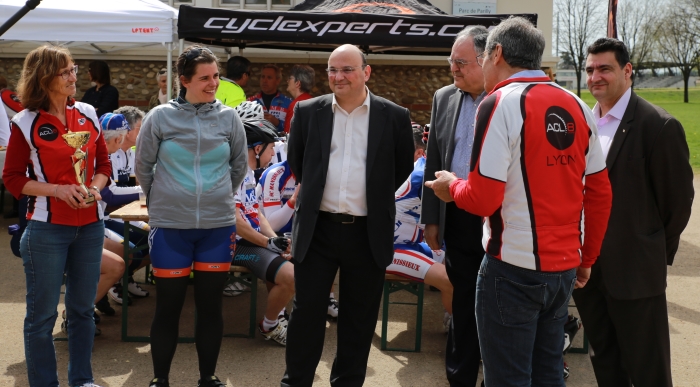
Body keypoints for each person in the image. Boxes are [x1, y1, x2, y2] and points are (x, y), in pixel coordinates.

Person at [424, 17, 613, 386]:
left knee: (509, 379)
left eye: (481, 59)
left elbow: (482, 198)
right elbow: (601, 193)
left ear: (496, 53)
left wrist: (451, 186)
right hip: (562, 269)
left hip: (511, 270)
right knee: (547, 374)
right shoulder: (575, 102)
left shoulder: (499, 102)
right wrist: (585, 258)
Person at [281, 44, 414, 387]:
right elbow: (298, 163)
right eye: (332, 70)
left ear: (366, 72)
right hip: (318, 230)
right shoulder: (309, 112)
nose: (338, 77)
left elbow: (401, 169)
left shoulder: (394, 116)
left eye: (347, 69)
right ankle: (295, 382)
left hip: (367, 232)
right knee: (306, 314)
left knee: (358, 320)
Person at [572, 38, 694, 387]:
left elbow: (678, 204)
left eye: (605, 68)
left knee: (649, 373)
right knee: (606, 366)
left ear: (627, 71)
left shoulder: (658, 125)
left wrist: (650, 251)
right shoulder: (582, 123)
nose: (595, 76)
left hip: (636, 275)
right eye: (590, 69)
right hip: (587, 273)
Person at [135, 45, 248, 387]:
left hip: (216, 226)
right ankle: (161, 379)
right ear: (184, 81)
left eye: (216, 76)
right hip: (171, 227)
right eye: (205, 77)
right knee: (168, 306)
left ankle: (207, 377)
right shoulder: (159, 117)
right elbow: (143, 167)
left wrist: (216, 196)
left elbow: (239, 166)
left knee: (210, 306)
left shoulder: (230, 118)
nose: (213, 83)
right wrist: (166, 201)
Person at [3, 45, 111, 387]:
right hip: (46, 230)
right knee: (42, 318)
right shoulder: (25, 121)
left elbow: (104, 166)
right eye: (65, 71)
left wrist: (93, 188)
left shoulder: (89, 113)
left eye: (74, 69)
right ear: (44, 77)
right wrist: (58, 190)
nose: (73, 76)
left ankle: (82, 380)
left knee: (82, 312)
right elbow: (13, 178)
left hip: (91, 227)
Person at [420, 25, 488, 387]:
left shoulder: (507, 98)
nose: (453, 69)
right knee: (462, 301)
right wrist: (432, 216)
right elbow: (434, 159)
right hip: (458, 216)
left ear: (487, 59)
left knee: (496, 303)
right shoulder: (444, 97)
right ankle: (460, 378)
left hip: (499, 219)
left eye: (461, 62)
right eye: (451, 61)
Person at [230, 117, 296, 345]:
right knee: (291, 276)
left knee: (287, 255)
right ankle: (270, 326)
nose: (272, 155)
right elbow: (236, 222)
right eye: (270, 149)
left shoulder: (248, 171)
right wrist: (267, 244)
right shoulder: (234, 173)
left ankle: (278, 316)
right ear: (257, 149)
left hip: (251, 243)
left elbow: (256, 212)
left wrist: (274, 239)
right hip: (236, 249)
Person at [388, 124, 453, 317]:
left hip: (409, 245)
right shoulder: (423, 174)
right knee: (450, 279)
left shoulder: (424, 167)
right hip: (388, 249)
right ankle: (456, 329)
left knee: (464, 268)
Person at [105, 106, 151, 305]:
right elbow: (110, 197)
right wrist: (145, 192)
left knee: (154, 239)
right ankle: (115, 281)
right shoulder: (109, 154)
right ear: (126, 131)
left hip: (123, 214)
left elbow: (138, 184)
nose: (142, 133)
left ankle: (126, 277)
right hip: (107, 217)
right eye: (140, 128)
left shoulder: (130, 153)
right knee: (133, 250)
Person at [247, 64, 291, 134]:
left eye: (269, 77)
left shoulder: (288, 103)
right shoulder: (250, 102)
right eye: (262, 77)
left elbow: (292, 128)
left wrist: (278, 123)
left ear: (278, 81)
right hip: (257, 144)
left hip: (280, 143)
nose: (265, 81)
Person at [284, 65, 314, 134]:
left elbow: (289, 135)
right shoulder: (313, 102)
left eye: (290, 78)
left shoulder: (296, 105)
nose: (287, 81)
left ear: (297, 83)